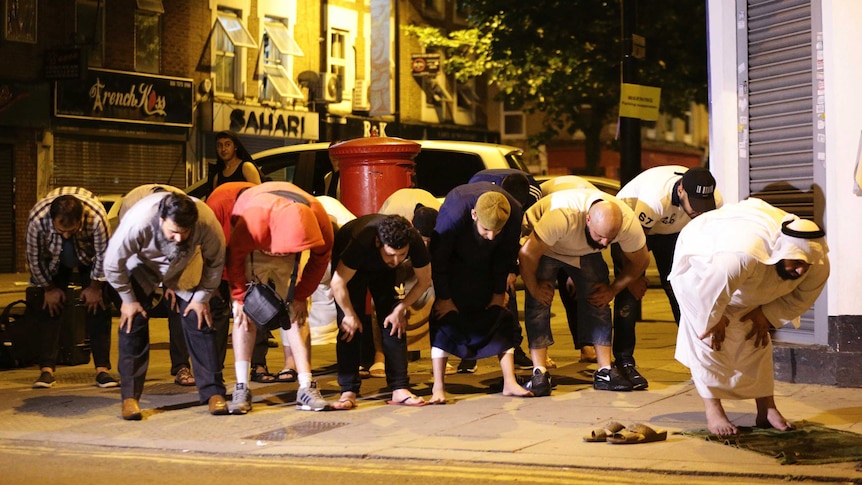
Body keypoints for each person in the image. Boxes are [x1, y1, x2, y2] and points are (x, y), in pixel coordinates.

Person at [669, 198, 829, 437]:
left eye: (806, 266)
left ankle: (767, 409)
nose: (800, 271)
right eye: (796, 263)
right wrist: (714, 317)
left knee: (757, 339)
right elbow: (709, 291)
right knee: (710, 341)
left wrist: (767, 314)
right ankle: (714, 411)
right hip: (700, 273)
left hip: (745, 287)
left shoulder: (818, 263)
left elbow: (803, 297)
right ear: (782, 252)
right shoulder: (739, 255)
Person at [104, 192, 227, 420]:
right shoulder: (138, 222)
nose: (179, 238)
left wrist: (202, 298)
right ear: (161, 220)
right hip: (141, 264)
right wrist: (128, 300)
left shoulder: (206, 220)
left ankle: (213, 393)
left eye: (185, 232)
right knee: (133, 321)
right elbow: (112, 265)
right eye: (173, 232)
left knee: (200, 320)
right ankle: (130, 398)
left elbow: (215, 262)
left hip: (185, 263)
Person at [520, 188, 649, 393]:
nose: (605, 243)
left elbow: (641, 260)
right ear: (588, 219)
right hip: (548, 246)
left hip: (584, 250)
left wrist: (613, 290)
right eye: (600, 236)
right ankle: (539, 371)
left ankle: (605, 370)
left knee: (599, 298)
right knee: (539, 302)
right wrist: (534, 288)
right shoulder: (561, 216)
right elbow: (527, 255)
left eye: (610, 237)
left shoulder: (626, 222)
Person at [224, 182, 335, 414]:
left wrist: (302, 295)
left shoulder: (318, 219)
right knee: (245, 313)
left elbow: (320, 258)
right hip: (255, 243)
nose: (279, 255)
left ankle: (306, 386)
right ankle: (241, 386)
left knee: (297, 311)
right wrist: (239, 297)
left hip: (291, 241)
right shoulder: (252, 219)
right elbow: (234, 257)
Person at [611, 166, 721, 389]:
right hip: (630, 230)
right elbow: (634, 243)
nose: (699, 211)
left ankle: (698, 359)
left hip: (671, 232)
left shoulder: (714, 198)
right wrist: (633, 277)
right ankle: (623, 361)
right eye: (695, 204)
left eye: (704, 205)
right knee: (628, 295)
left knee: (682, 290)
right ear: (680, 190)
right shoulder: (655, 197)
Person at [429, 184, 533, 403]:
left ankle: (509, 382)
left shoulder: (512, 212)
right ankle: (438, 387)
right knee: (444, 320)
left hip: (489, 266)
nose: (492, 236)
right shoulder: (455, 211)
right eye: (486, 230)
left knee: (501, 315)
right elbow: (439, 258)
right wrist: (445, 297)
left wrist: (498, 293)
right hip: (454, 265)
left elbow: (505, 256)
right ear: (474, 215)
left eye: (497, 231)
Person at [330, 214, 432, 410]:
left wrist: (402, 307)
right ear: (378, 242)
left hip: (383, 274)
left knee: (394, 321)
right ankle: (348, 390)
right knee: (349, 327)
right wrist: (350, 314)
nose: (396, 260)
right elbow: (338, 282)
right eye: (391, 254)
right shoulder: (361, 240)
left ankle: (399, 387)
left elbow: (424, 281)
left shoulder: (414, 241)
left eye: (402, 255)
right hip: (353, 268)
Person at [118, 183, 212, 387]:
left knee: (181, 306)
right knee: (137, 310)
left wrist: (173, 282)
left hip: (181, 257)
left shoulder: (185, 209)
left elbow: (188, 249)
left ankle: (182, 366)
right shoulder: (133, 211)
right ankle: (131, 376)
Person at [25, 187, 117, 389]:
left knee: (99, 305)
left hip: (88, 256)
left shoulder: (96, 218)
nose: (66, 235)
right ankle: (46, 370)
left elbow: (104, 255)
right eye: (61, 230)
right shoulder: (37, 220)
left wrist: (94, 287)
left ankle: (102, 370)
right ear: (52, 220)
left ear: (81, 220)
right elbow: (34, 258)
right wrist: (49, 289)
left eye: (71, 230)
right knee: (50, 308)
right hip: (53, 258)